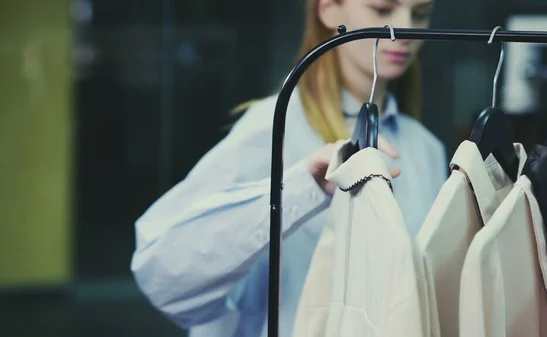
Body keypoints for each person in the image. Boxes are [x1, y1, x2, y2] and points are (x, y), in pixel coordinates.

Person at [131, 0, 447, 336]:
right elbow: (162, 272)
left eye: (419, 14)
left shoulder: (426, 150)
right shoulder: (274, 129)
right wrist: (301, 189)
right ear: (328, 10)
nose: (404, 29)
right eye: (382, 10)